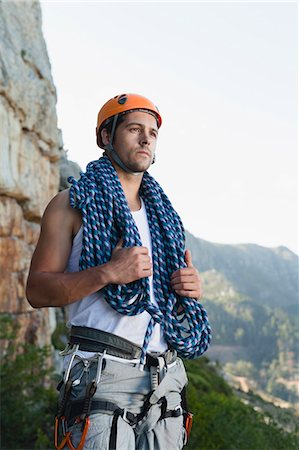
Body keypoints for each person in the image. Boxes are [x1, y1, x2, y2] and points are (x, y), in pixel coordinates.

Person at [26, 93, 211, 450]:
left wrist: (187, 289)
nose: (146, 139)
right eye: (134, 129)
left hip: (167, 379)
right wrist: (107, 273)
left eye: (153, 133)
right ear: (105, 137)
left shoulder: (165, 216)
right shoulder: (71, 205)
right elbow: (37, 290)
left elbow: (159, 305)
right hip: (101, 375)